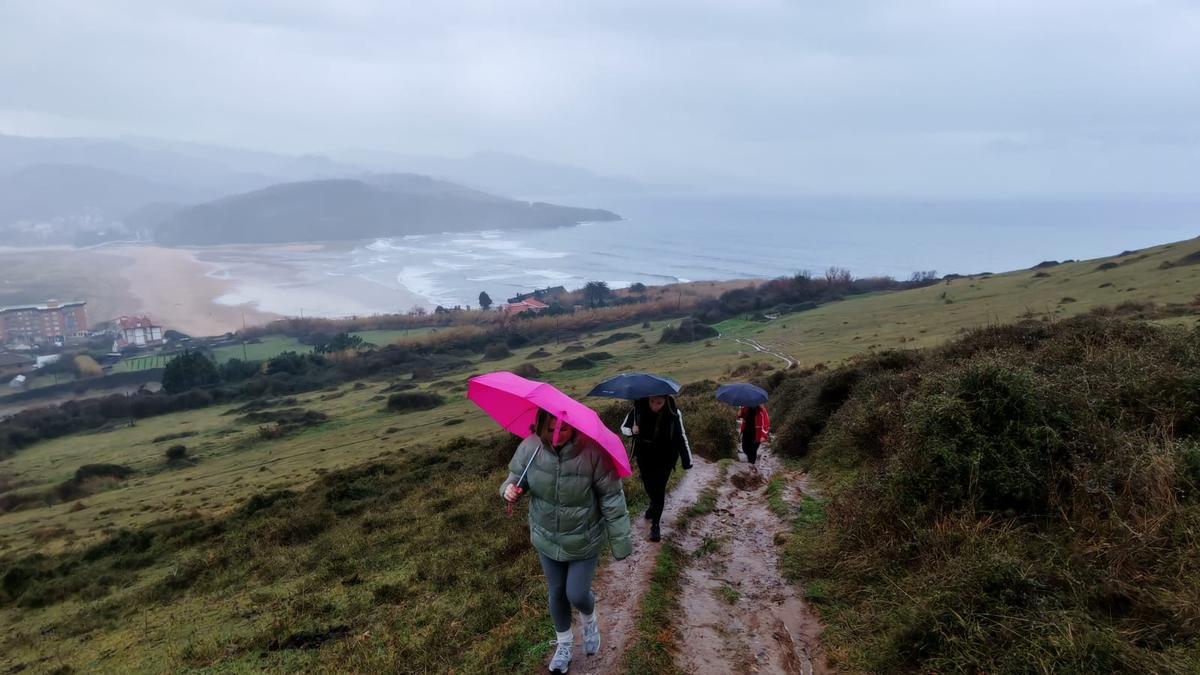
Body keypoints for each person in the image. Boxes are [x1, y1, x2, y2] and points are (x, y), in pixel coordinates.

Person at [501, 409, 633, 674]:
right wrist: (509, 490)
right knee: (557, 593)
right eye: (551, 430)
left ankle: (590, 619)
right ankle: (564, 645)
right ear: (541, 425)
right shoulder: (530, 448)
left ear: (575, 428)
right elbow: (515, 478)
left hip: (584, 539)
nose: (557, 436)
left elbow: (612, 500)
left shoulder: (594, 454)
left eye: (564, 430)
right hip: (546, 537)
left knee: (577, 593)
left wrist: (621, 542)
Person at [620, 395, 693, 542]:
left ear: (666, 400)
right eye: (652, 402)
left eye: (659, 402)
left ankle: (655, 526)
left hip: (665, 457)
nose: (655, 405)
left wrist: (687, 460)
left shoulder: (673, 413)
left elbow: (681, 436)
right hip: (644, 456)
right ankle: (653, 504)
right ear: (648, 399)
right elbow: (624, 428)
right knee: (649, 486)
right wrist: (632, 431)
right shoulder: (637, 410)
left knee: (659, 489)